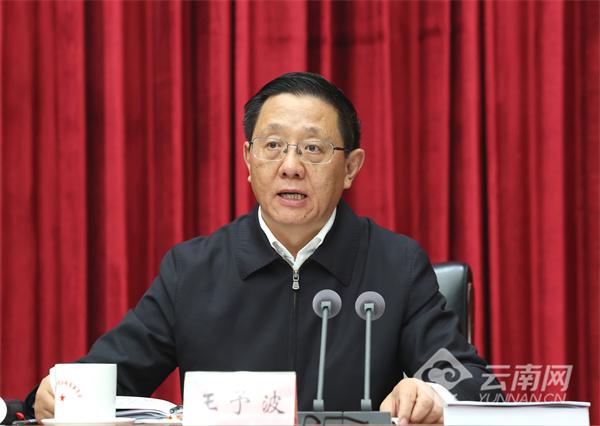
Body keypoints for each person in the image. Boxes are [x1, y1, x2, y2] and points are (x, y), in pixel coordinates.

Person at [29, 72, 498, 424]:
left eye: (313, 149)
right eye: (273, 145)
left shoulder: (396, 265)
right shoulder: (192, 270)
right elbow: (104, 377)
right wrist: (53, 396)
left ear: (351, 168)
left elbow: (474, 385)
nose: (290, 166)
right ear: (248, 159)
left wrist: (433, 397)